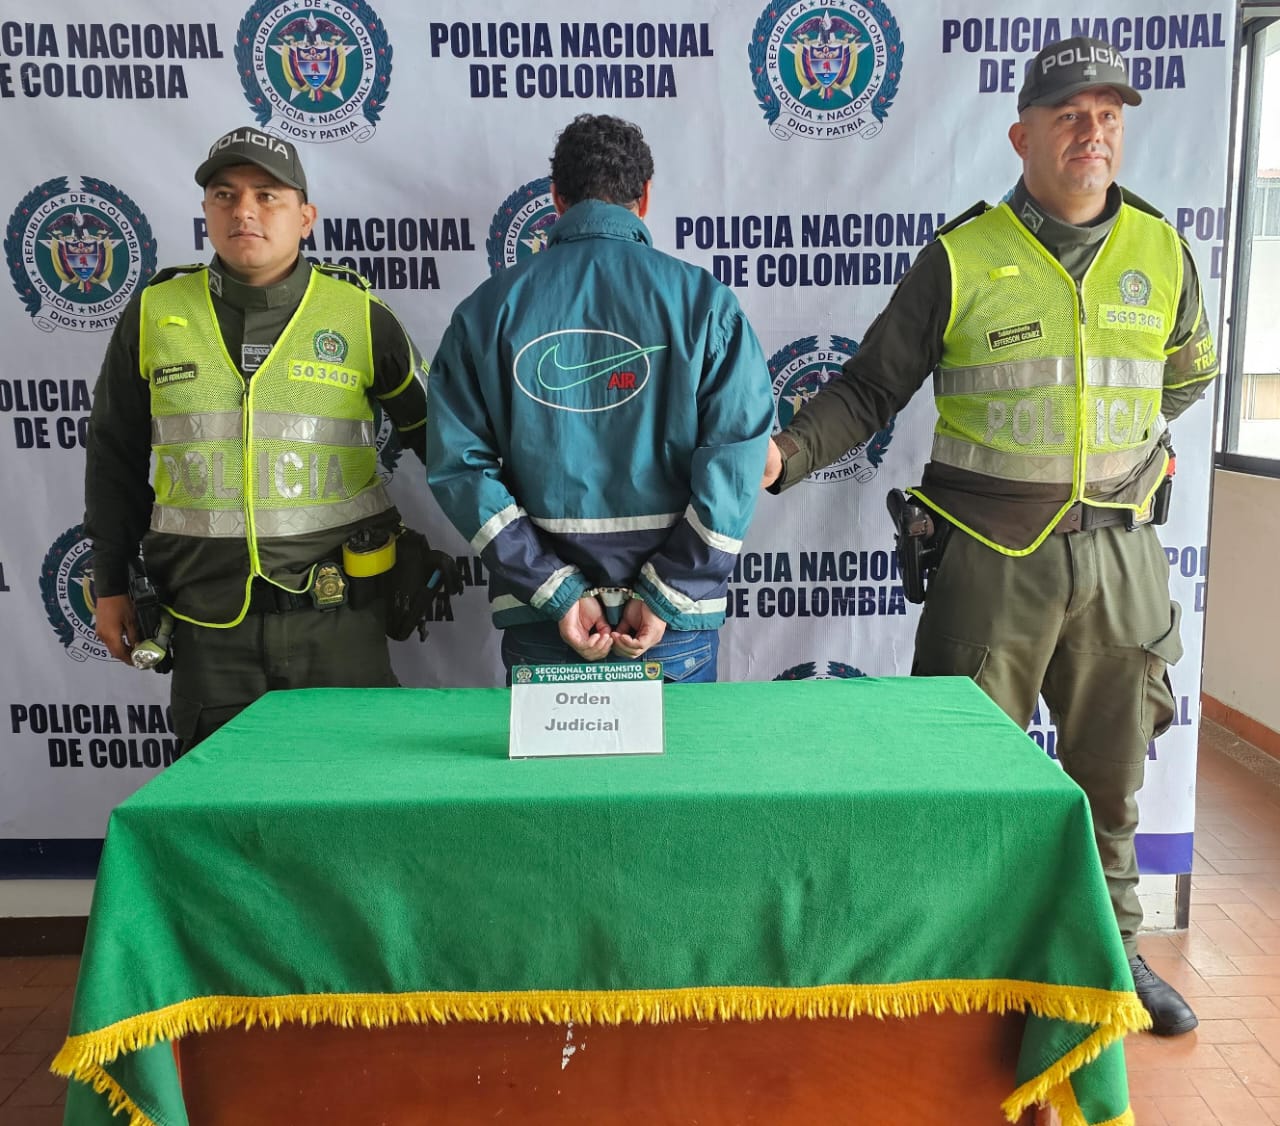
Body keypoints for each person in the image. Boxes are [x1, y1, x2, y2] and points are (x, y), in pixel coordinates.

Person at [761, 38, 1217, 1036]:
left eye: (1107, 115)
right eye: (1069, 115)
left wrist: (1120, 454)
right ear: (1021, 137)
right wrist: (785, 453)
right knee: (961, 779)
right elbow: (869, 390)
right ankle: (960, 971)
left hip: (1121, 562)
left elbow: (1183, 377)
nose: (1092, 132)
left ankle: (1113, 957)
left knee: (1110, 783)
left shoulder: (1163, 252)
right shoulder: (959, 258)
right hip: (990, 561)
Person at [85, 125, 454, 749]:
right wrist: (111, 583)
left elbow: (449, 450)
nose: (244, 211)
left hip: (339, 620)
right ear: (206, 210)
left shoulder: (359, 315)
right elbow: (113, 460)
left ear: (306, 217)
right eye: (225, 195)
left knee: (351, 793)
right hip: (208, 628)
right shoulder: (154, 314)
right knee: (222, 803)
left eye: (267, 195)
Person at [426, 114, 772, 681]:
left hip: (545, 623)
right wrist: (664, 595)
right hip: (672, 631)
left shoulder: (486, 312)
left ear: (556, 199)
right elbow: (736, 465)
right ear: (645, 197)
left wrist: (556, 591)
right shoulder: (705, 304)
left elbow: (458, 468)